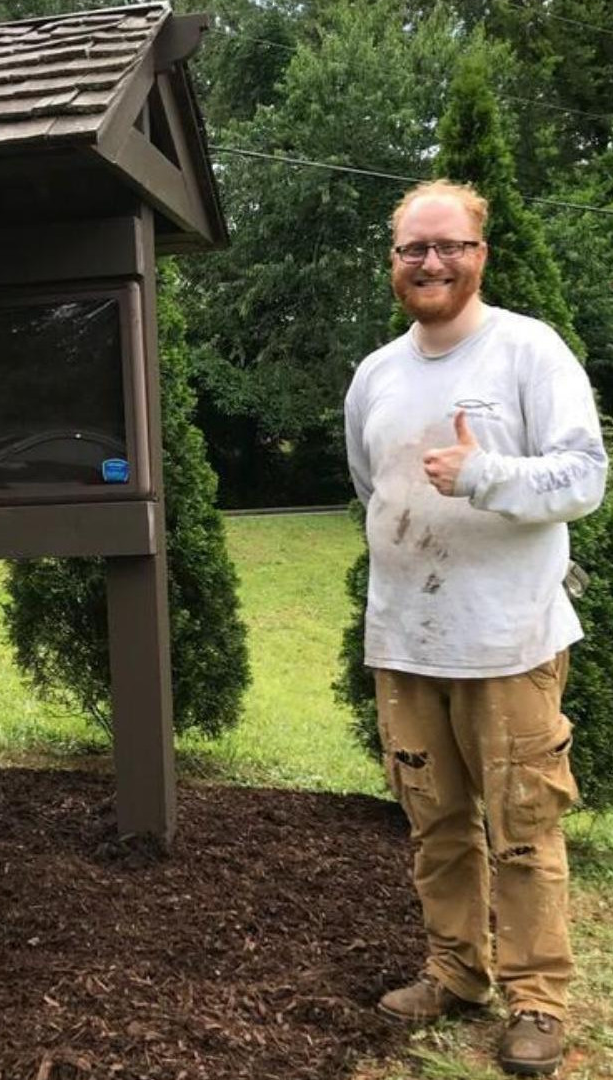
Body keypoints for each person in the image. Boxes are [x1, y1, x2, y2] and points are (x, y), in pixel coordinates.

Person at [344, 180, 606, 1076]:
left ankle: (538, 999)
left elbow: (584, 478)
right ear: (393, 263)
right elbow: (369, 485)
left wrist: (486, 474)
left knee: (524, 827)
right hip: (406, 639)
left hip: (510, 643)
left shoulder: (528, 352)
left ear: (479, 254)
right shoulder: (376, 373)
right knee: (434, 821)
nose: (430, 262)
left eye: (448, 245)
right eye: (413, 249)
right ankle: (457, 972)